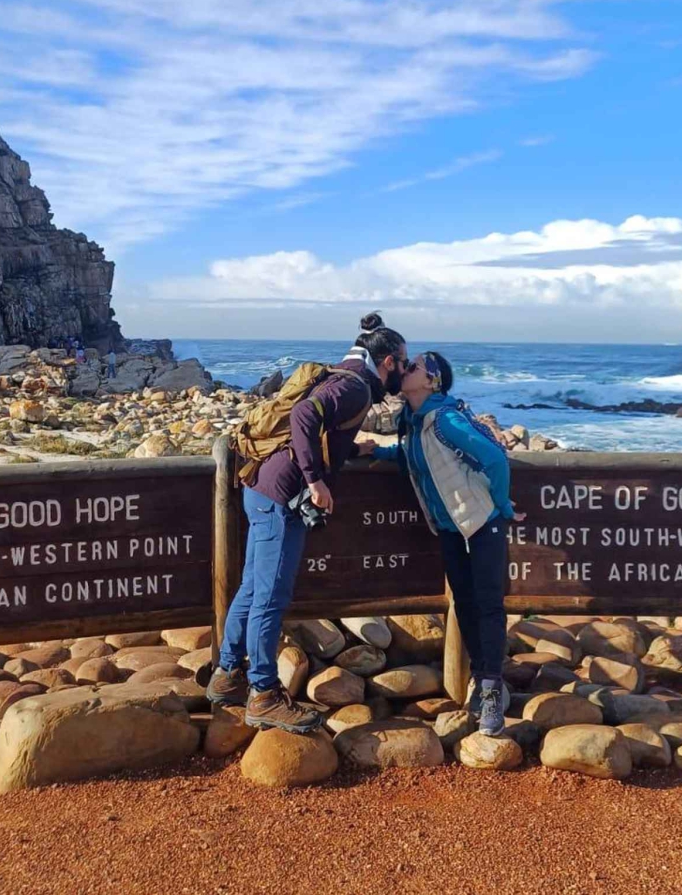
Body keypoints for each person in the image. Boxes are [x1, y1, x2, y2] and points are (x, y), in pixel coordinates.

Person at [208, 312, 408, 733]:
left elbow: (320, 430)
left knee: (252, 588)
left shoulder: (344, 374)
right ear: (387, 361)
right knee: (271, 597)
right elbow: (304, 417)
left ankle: (227, 674)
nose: (405, 372)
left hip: (260, 488)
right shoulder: (354, 387)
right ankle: (263, 694)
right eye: (403, 363)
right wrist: (316, 482)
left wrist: (350, 451)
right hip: (283, 498)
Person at [356, 351, 522, 737]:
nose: (404, 370)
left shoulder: (444, 419)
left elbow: (496, 459)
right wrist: (375, 451)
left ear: (432, 382)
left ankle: (492, 689)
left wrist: (503, 506)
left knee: (488, 605)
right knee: (463, 603)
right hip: (450, 528)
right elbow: (416, 457)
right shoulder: (414, 422)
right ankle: (483, 681)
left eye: (412, 367)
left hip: (482, 523)